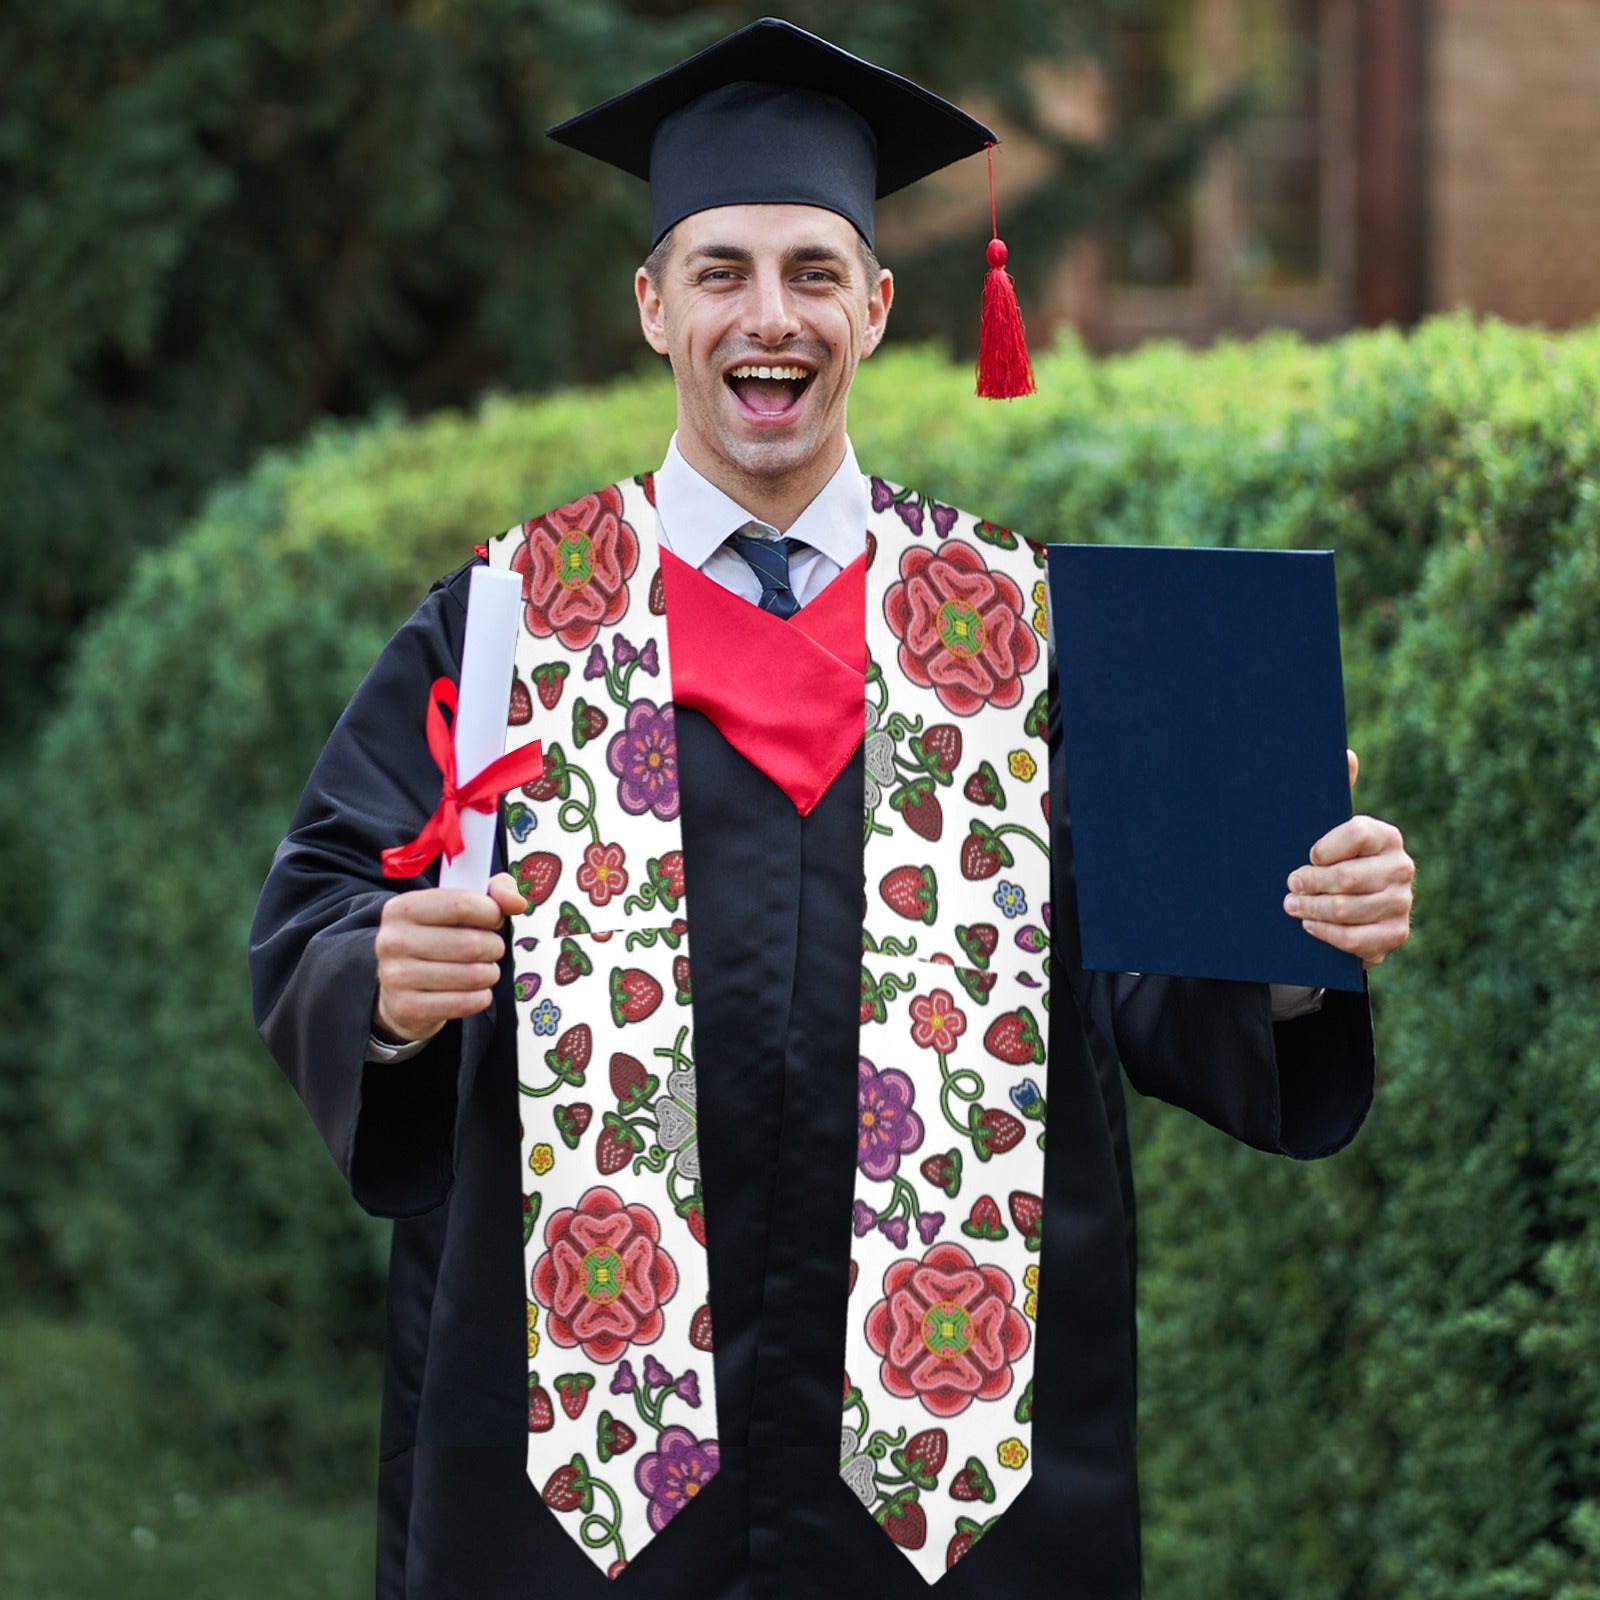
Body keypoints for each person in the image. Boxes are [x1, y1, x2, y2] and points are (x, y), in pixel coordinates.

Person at [249, 19, 1414, 1600]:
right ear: (654, 305)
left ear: (876, 305)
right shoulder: (513, 621)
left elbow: (1149, 976)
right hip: (585, 1472)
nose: (768, 316)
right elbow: (325, 901)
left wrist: (1292, 934)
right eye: (721, 270)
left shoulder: (1025, 632)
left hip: (953, 1469)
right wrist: (379, 984)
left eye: (812, 271)